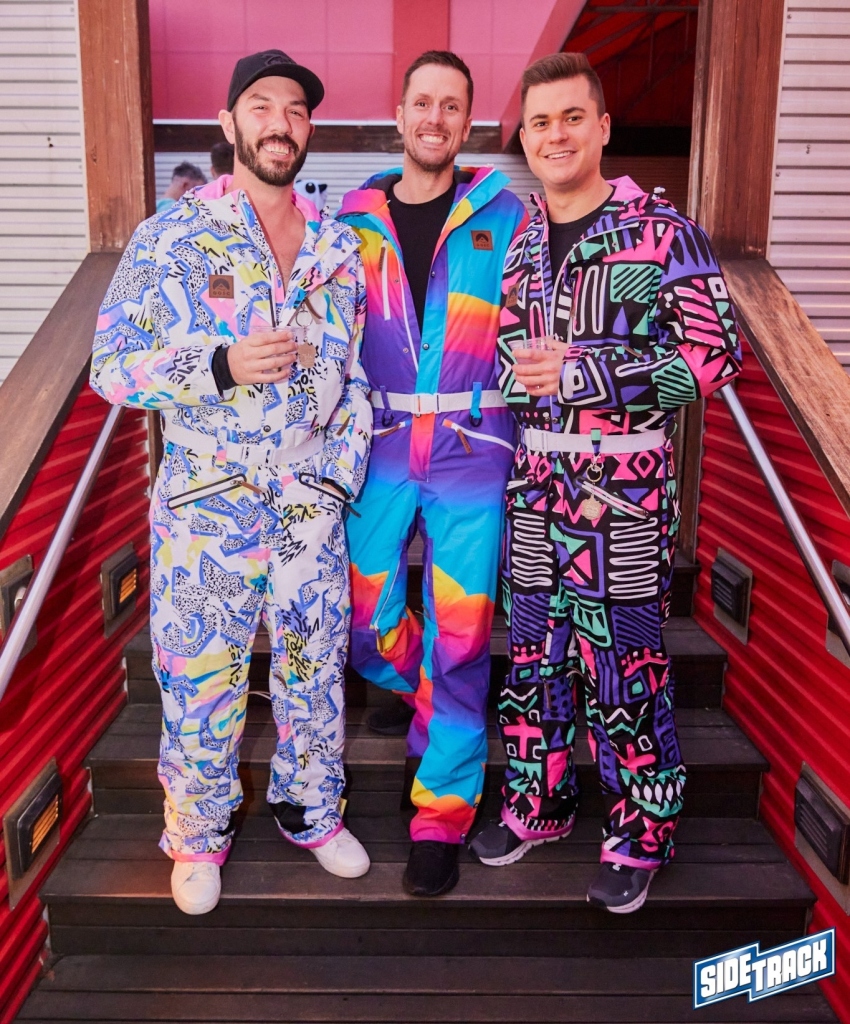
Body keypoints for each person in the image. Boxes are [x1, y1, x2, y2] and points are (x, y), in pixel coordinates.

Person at [90, 49, 372, 916]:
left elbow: (355, 377)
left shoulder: (338, 247)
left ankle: (310, 810)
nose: (279, 123)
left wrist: (338, 479)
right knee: (201, 675)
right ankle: (197, 834)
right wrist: (217, 364)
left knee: (313, 668)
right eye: (261, 105)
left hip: (308, 503)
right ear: (229, 123)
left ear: (308, 130)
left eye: (295, 110)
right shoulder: (171, 236)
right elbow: (112, 367)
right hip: (206, 503)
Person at [468, 52, 742, 913]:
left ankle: (641, 832)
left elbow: (714, 358)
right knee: (534, 659)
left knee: (625, 666)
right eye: (539, 122)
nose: (555, 135)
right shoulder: (520, 243)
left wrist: (587, 373)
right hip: (533, 484)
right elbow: (511, 361)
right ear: (525, 137)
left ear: (603, 127)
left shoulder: (662, 232)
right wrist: (521, 380)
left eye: (571, 117)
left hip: (621, 493)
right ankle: (538, 805)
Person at [338, 51, 527, 897]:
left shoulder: (505, 216)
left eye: (452, 105)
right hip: (378, 442)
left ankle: (440, 814)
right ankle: (426, 694)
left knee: (461, 631)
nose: (435, 118)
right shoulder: (352, 223)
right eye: (423, 102)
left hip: (471, 446)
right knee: (364, 616)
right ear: (400, 112)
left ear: (468, 121)